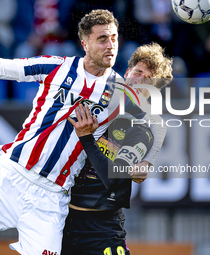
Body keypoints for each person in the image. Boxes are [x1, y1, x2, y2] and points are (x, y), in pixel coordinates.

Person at [0, 9, 124, 255]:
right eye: (102, 39)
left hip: (51, 198)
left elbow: (119, 152)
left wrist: (93, 139)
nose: (110, 45)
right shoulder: (56, 66)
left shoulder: (122, 95)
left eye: (114, 38)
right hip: (10, 177)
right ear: (84, 43)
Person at [61, 43, 173, 255]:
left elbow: (114, 181)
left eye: (148, 80)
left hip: (102, 228)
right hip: (62, 220)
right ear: (126, 73)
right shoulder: (97, 97)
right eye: (138, 72)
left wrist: (147, 161)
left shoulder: (144, 128)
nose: (139, 80)